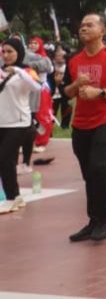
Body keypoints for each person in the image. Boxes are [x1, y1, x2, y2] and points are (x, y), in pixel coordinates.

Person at [63, 14, 106, 242]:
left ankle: (105, 219)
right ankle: (94, 220)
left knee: (97, 166)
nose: (83, 28)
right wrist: (77, 84)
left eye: (89, 25)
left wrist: (100, 92)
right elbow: (66, 92)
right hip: (81, 122)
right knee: (89, 174)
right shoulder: (73, 59)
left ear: (102, 30)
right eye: (81, 25)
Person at [1, 38, 43, 214]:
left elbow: (37, 87)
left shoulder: (27, 71)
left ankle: (11, 198)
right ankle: (16, 196)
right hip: (2, 122)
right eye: (3, 51)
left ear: (19, 52)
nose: (6, 55)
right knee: (8, 161)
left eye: (10, 51)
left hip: (19, 123)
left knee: (3, 159)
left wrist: (17, 70)